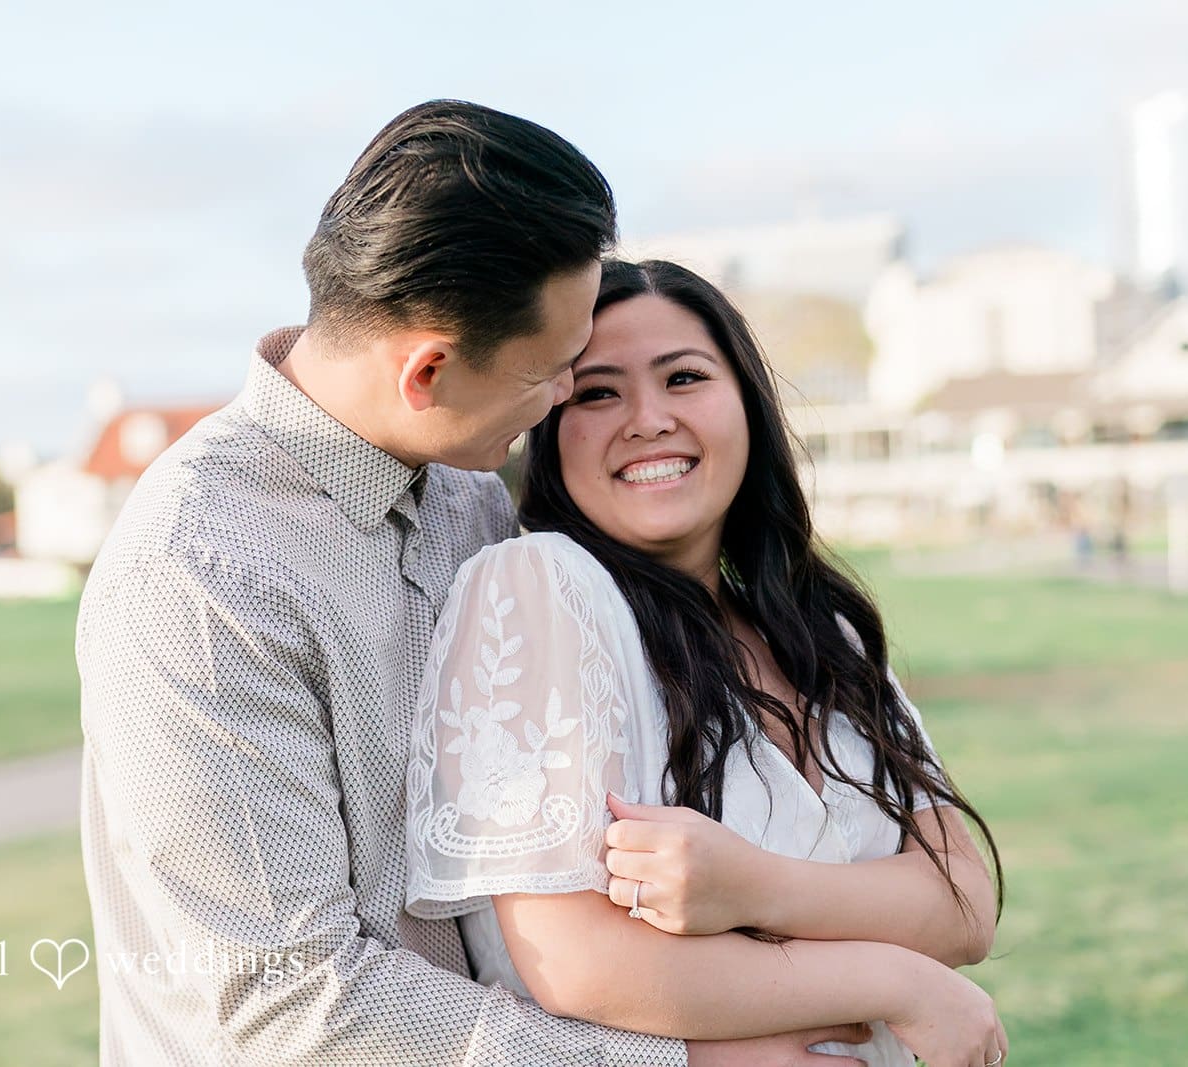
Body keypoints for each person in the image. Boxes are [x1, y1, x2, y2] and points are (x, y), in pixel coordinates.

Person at [77, 102, 872, 1065]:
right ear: (428, 371)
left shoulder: (467, 494)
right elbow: (284, 1000)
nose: (561, 403)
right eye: (556, 376)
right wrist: (695, 1060)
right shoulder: (199, 576)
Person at [406, 260, 1010, 1067]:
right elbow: (576, 961)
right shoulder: (541, 586)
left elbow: (964, 903)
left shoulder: (821, 626)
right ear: (551, 424)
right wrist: (895, 979)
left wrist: (749, 885)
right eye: (598, 392)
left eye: (683, 377)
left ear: (746, 402)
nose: (649, 419)